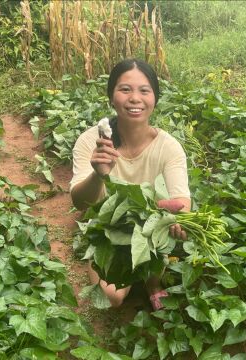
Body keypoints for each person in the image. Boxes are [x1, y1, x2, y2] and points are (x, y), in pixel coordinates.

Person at [70, 59, 191, 310]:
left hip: (152, 227)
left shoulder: (169, 147)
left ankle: (152, 280)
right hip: (107, 229)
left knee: (157, 244)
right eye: (125, 89)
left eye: (144, 91)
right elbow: (80, 202)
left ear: (155, 98)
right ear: (111, 97)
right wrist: (99, 175)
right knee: (112, 298)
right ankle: (110, 261)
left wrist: (181, 218)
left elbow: (181, 199)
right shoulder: (92, 142)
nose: (135, 98)